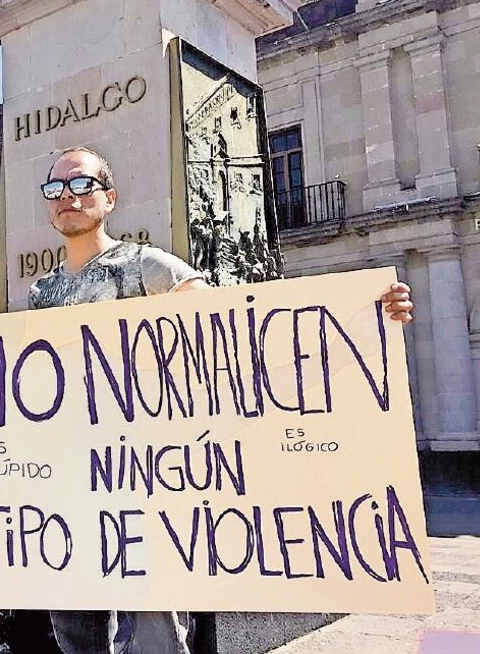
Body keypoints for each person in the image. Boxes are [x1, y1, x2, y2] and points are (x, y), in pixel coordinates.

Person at [30, 146, 415, 654]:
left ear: (109, 197)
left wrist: (361, 315)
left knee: (156, 638)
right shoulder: (42, 293)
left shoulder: (146, 265)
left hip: (154, 483)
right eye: (55, 189)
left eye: (80, 185)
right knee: (76, 637)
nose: (67, 198)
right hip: (75, 486)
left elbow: (239, 328)